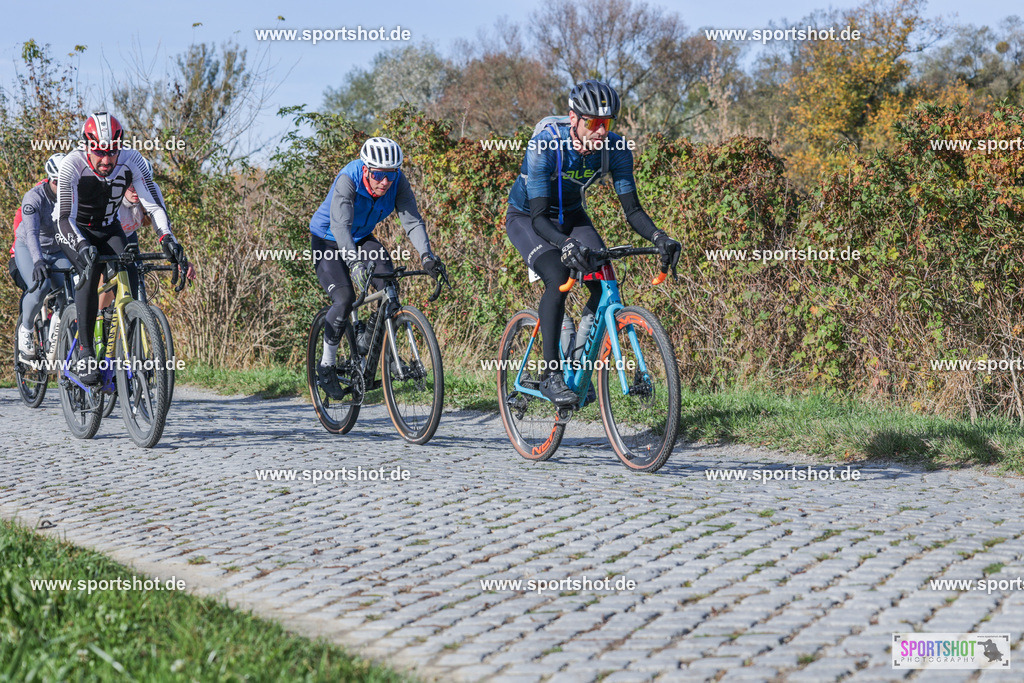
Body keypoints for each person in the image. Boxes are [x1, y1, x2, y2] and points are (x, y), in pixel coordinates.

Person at [506, 80, 681, 405]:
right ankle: (551, 375)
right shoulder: (545, 146)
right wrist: (564, 244)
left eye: (607, 123)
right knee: (558, 276)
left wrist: (659, 236)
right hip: (528, 217)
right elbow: (540, 218)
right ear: (573, 118)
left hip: (572, 215)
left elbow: (633, 210)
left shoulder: (615, 149)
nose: (601, 131)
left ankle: (578, 367)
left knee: (604, 281)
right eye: (593, 123)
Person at [54, 112, 189, 384]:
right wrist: (82, 246)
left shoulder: (132, 159)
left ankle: (123, 347)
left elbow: (153, 205)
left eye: (112, 152)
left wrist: (168, 239)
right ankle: (86, 352)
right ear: (87, 146)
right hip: (74, 230)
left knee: (131, 273)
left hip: (109, 226)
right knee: (90, 273)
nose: (106, 160)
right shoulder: (72, 165)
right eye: (99, 152)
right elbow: (64, 218)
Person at [309, 136, 444, 399]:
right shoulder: (348, 179)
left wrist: (427, 256)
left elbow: (412, 221)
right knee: (344, 298)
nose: (385, 182)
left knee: (389, 287)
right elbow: (340, 226)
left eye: (390, 175)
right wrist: (353, 262)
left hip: (361, 238)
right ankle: (326, 365)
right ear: (366, 169)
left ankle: (379, 347)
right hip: (328, 239)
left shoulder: (397, 182)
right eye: (379, 175)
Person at [13, 153, 75, 360]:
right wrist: (38, 261)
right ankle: (26, 328)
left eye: (66, 183)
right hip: (29, 247)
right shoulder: (34, 198)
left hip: (57, 250)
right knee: (41, 285)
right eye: (58, 183)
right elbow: (31, 234)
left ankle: (59, 323)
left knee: (71, 290)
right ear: (50, 179)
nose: (62, 187)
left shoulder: (73, 195)